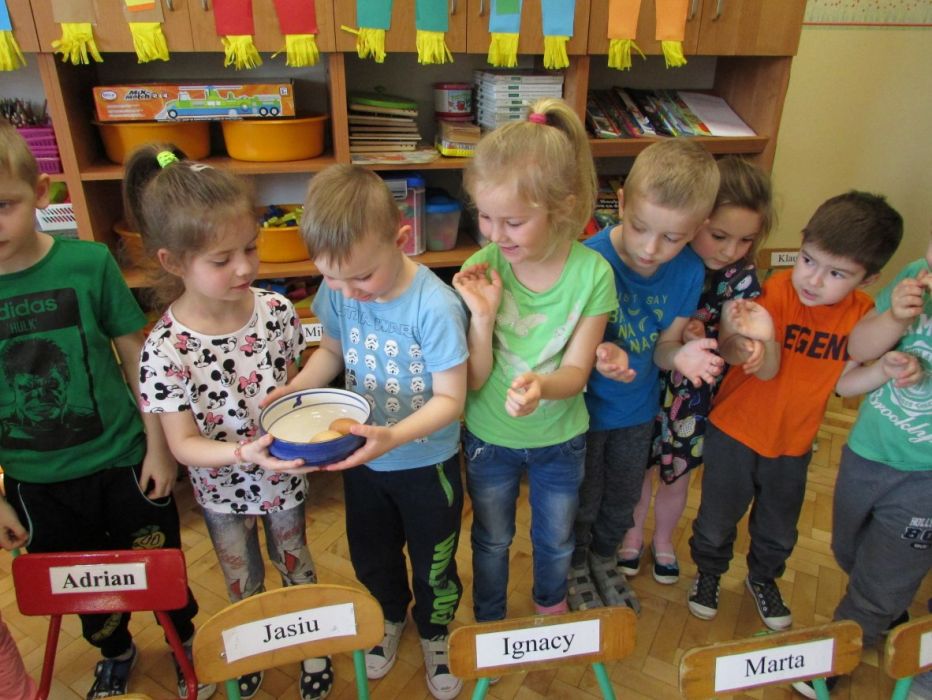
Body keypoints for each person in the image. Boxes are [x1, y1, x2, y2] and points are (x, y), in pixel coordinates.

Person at [0, 123, 210, 700]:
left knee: (159, 564)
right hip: (37, 485)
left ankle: (184, 639)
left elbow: (138, 358)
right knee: (81, 585)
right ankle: (114, 651)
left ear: (41, 192)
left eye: (2, 206)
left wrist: (160, 449)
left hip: (124, 462)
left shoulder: (89, 263)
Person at [125, 145, 328, 700]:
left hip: (283, 477)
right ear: (173, 262)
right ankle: (251, 645)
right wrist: (243, 455)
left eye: (250, 248)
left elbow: (290, 393)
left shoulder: (277, 312)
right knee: (242, 579)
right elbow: (183, 445)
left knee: (296, 563)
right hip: (222, 490)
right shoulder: (164, 349)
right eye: (221, 260)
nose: (244, 267)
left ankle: (310, 643)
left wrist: (306, 434)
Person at [263, 165, 468, 700]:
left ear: (401, 238)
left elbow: (452, 399)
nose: (348, 292)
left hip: (426, 465)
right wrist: (296, 389)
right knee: (372, 556)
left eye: (361, 278)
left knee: (435, 562)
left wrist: (394, 437)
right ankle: (389, 616)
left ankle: (436, 630)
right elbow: (332, 350)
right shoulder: (339, 291)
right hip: (362, 462)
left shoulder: (435, 305)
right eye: (333, 278)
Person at [688, 191, 904, 632]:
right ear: (801, 243)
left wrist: (883, 369)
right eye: (808, 260)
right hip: (734, 430)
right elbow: (741, 357)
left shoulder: (862, 315)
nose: (814, 279)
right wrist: (752, 340)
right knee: (716, 517)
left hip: (794, 442)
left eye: (836, 273)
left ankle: (763, 579)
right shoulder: (770, 291)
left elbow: (843, 383)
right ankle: (708, 573)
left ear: (867, 279)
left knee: (779, 527)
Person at [452, 98, 616, 624]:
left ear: (562, 208)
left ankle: (550, 609)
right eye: (485, 216)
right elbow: (474, 379)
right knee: (491, 539)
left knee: (556, 539)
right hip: (489, 437)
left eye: (514, 222)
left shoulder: (593, 274)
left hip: (560, 438)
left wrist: (542, 388)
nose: (494, 234)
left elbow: (576, 372)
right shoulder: (483, 265)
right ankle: (490, 622)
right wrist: (482, 317)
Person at [569, 139, 724, 612]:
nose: (651, 249)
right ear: (621, 203)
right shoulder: (588, 259)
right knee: (582, 499)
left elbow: (663, 348)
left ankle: (604, 560)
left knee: (621, 500)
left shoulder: (688, 271)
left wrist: (682, 357)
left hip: (636, 414)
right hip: (580, 413)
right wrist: (596, 353)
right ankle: (574, 565)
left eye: (672, 238)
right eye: (639, 227)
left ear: (697, 228)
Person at [619, 156, 775, 585]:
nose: (729, 250)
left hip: (692, 397)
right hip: (646, 385)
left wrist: (744, 345)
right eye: (719, 235)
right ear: (695, 221)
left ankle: (664, 541)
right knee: (638, 471)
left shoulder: (740, 277)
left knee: (677, 477)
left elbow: (729, 347)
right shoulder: (665, 256)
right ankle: (631, 536)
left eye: (745, 240)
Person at [794, 230, 930, 698]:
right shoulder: (916, 275)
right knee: (848, 548)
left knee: (882, 574)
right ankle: (884, 606)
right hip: (868, 451)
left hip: (924, 477)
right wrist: (894, 317)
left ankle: (841, 650)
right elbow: (859, 348)